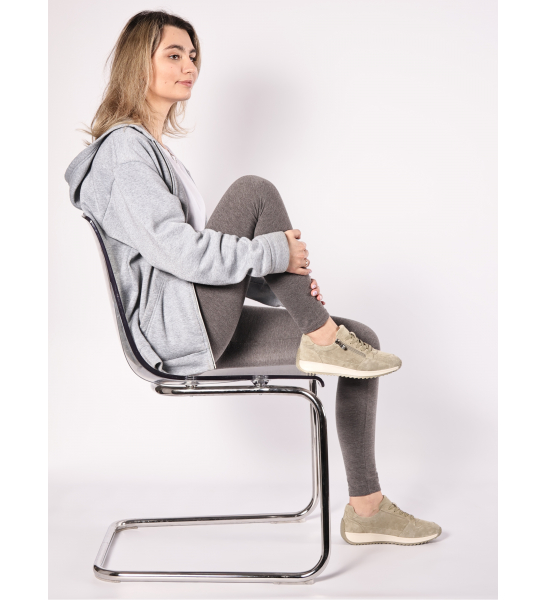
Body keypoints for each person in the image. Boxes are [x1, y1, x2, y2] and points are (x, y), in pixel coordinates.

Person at [64, 9, 441, 547]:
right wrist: (274, 254)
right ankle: (323, 335)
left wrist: (279, 283)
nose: (190, 66)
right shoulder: (125, 152)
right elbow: (184, 254)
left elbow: (195, 262)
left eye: (193, 56)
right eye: (174, 54)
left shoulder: (151, 150)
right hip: (174, 331)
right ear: (136, 63)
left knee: (363, 340)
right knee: (254, 191)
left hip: (195, 316)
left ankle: (367, 510)